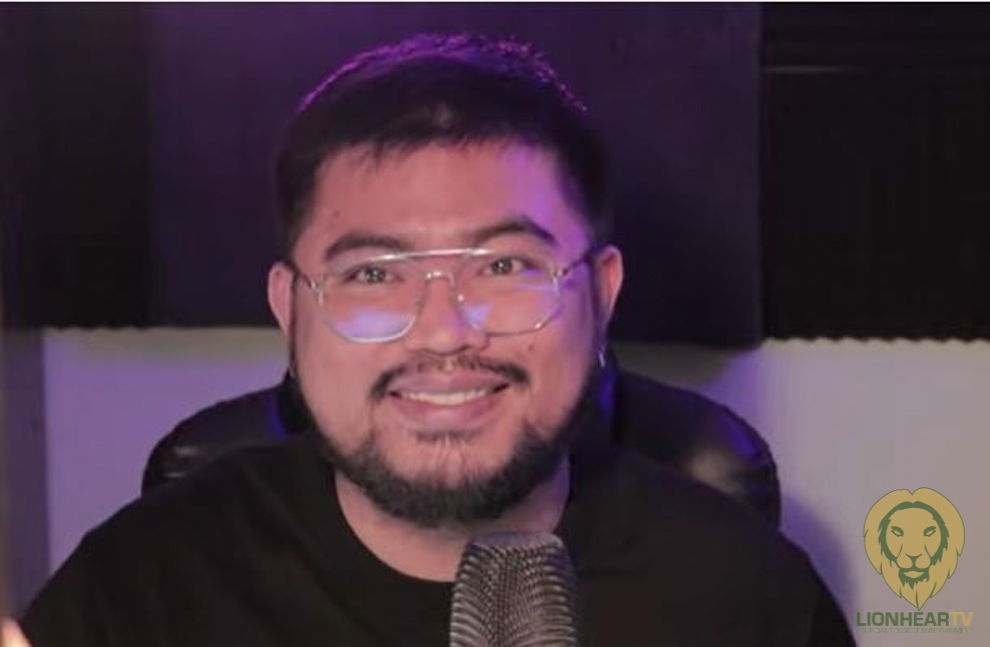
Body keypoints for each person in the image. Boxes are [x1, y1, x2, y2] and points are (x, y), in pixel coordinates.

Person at [19, 33, 853, 646]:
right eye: (373, 274)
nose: (445, 331)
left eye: (504, 265)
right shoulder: (139, 590)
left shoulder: (749, 603)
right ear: (290, 309)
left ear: (601, 296)